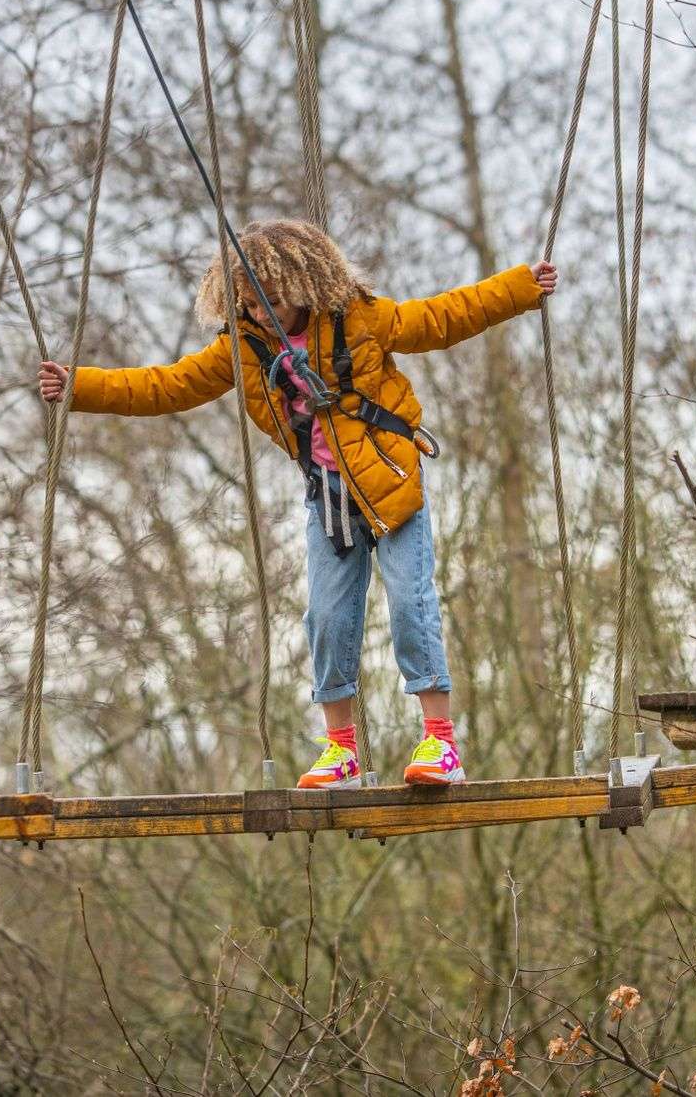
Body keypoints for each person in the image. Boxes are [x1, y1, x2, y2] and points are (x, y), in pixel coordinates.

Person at [39, 218, 556, 789]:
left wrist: (520, 288)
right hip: (329, 499)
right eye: (250, 306)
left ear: (303, 285)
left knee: (411, 604)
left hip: (390, 485)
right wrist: (78, 386)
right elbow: (167, 385)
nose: (261, 315)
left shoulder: (360, 318)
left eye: (272, 303)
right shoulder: (243, 348)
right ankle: (342, 751)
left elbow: (441, 317)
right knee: (329, 619)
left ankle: (441, 740)